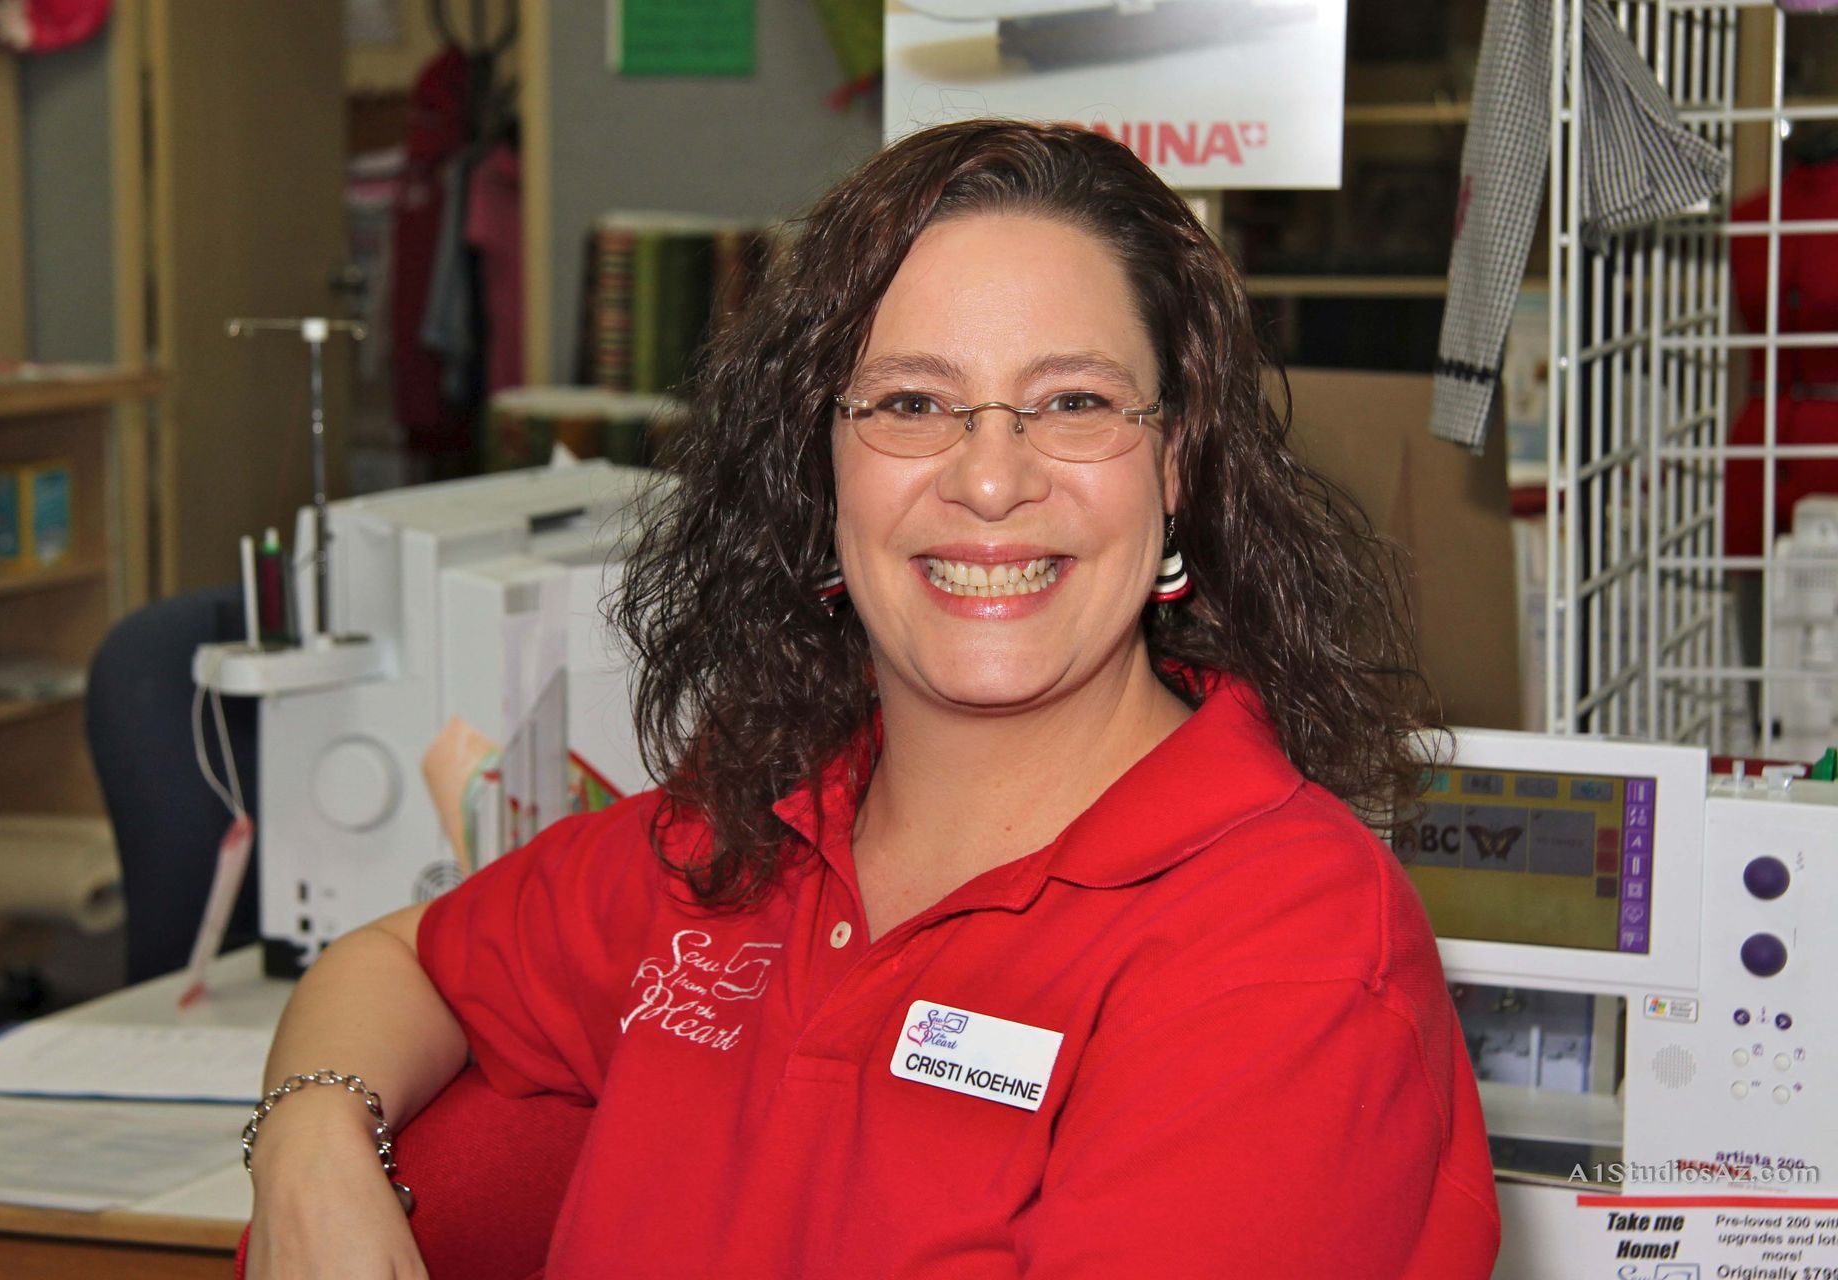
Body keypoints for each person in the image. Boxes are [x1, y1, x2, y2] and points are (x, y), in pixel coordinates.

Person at [245, 119, 1501, 1278]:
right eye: (911, 403)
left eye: (1073, 402)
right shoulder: (743, 836)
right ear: (820, 468)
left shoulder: (1289, 950)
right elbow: (401, 959)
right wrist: (310, 1145)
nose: (992, 479)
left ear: (1175, 461)